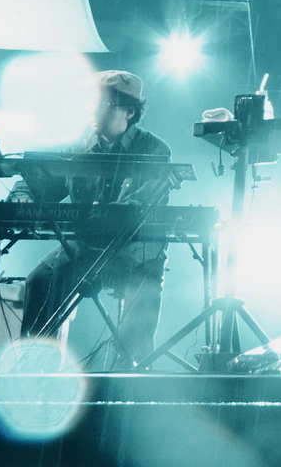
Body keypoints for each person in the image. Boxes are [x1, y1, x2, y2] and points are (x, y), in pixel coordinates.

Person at [15, 70, 173, 365]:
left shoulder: (154, 150)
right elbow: (41, 183)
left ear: (129, 111)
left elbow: (140, 205)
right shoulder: (78, 146)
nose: (91, 110)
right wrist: (23, 196)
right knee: (40, 280)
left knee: (145, 289)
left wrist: (109, 214)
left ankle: (131, 372)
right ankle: (35, 366)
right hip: (85, 247)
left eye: (102, 103)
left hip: (134, 250)